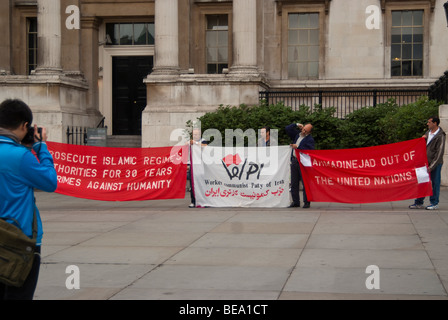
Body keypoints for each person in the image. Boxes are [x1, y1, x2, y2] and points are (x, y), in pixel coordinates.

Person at [0, 99, 58, 300]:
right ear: (25, 126)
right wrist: (41, 148)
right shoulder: (20, 157)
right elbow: (50, 182)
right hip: (18, 240)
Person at [409, 116, 446, 210]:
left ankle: (434, 203)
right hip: (424, 162)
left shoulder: (440, 135)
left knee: (435, 183)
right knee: (422, 182)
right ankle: (419, 202)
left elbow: (439, 153)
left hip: (435, 164)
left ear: (435, 123)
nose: (427, 124)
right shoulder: (428, 133)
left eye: (429, 122)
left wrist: (432, 166)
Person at [285, 122, 315, 208]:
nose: (303, 131)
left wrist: (297, 147)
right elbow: (287, 128)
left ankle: (306, 202)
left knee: (305, 183)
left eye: (306, 131)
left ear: (309, 132)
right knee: (294, 183)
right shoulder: (297, 135)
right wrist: (296, 124)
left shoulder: (310, 139)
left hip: (303, 163)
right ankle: (295, 202)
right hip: (294, 161)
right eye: (303, 129)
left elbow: (309, 151)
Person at [188, 127, 209, 208]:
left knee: (202, 184)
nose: (195, 136)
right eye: (194, 134)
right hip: (193, 167)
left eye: (196, 134)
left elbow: (205, 146)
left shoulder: (202, 141)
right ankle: (193, 201)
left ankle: (204, 201)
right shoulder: (190, 142)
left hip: (202, 167)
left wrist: (196, 143)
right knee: (193, 185)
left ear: (200, 134)